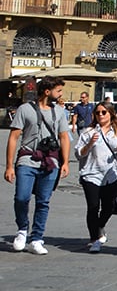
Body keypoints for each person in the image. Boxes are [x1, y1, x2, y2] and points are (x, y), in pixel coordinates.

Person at [5, 78, 71, 255]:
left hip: (50, 162)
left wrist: (65, 162)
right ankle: (22, 230)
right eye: (58, 91)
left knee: (43, 202)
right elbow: (13, 137)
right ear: (47, 92)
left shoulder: (59, 111)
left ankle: (37, 238)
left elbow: (64, 137)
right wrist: (9, 166)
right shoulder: (25, 109)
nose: (61, 94)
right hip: (27, 159)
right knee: (21, 197)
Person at [76, 101, 117, 252]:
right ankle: (95, 239)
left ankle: (99, 225)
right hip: (91, 174)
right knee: (93, 207)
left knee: (109, 206)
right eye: (97, 112)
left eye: (103, 112)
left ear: (111, 113)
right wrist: (89, 145)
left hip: (111, 175)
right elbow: (78, 153)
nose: (100, 115)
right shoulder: (88, 132)